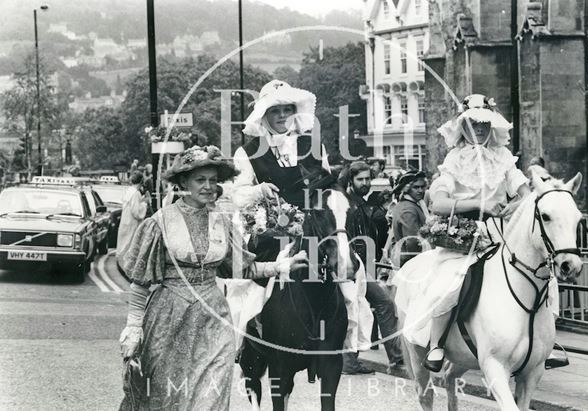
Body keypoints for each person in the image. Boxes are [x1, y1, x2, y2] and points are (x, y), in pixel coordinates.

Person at [118, 145, 307, 410]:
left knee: (210, 398)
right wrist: (134, 328)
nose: (208, 186)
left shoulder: (222, 222)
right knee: (165, 397)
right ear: (184, 181)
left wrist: (282, 266)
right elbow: (140, 282)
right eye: (200, 180)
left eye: (212, 180)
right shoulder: (160, 222)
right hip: (168, 319)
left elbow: (245, 270)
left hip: (213, 320)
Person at [225, 79, 372, 352]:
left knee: (352, 268)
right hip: (274, 228)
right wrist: (259, 190)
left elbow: (328, 183)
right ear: (264, 115)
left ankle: (350, 335)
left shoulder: (313, 145)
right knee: (251, 280)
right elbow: (238, 195)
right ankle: (249, 336)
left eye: (287, 110)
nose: (282, 116)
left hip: (316, 224)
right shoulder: (247, 152)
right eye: (275, 111)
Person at [394, 94, 531, 372]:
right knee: (447, 283)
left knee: (539, 275)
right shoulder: (455, 159)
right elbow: (439, 203)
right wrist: (481, 204)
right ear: (463, 126)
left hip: (502, 235)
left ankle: (541, 343)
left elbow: (526, 194)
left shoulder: (504, 158)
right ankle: (436, 343)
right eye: (473, 124)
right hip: (464, 235)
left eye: (484, 124)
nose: (479, 129)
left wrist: (511, 206)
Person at [343, 161, 404, 374]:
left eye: (368, 179)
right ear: (351, 180)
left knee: (377, 305)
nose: (365, 183)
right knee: (362, 307)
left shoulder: (361, 202)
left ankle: (395, 359)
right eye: (360, 179)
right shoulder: (346, 204)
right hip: (350, 268)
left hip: (363, 267)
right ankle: (352, 361)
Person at [390, 170, 429, 268]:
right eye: (416, 187)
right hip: (412, 264)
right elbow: (412, 243)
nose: (420, 190)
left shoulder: (410, 204)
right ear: (407, 188)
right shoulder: (408, 209)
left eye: (422, 186)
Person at [116, 171, 148, 269]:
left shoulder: (129, 190)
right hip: (132, 222)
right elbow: (136, 212)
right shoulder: (136, 193)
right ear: (141, 181)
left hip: (125, 220)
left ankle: (121, 261)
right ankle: (127, 266)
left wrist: (141, 201)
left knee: (124, 242)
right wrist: (145, 203)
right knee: (130, 243)